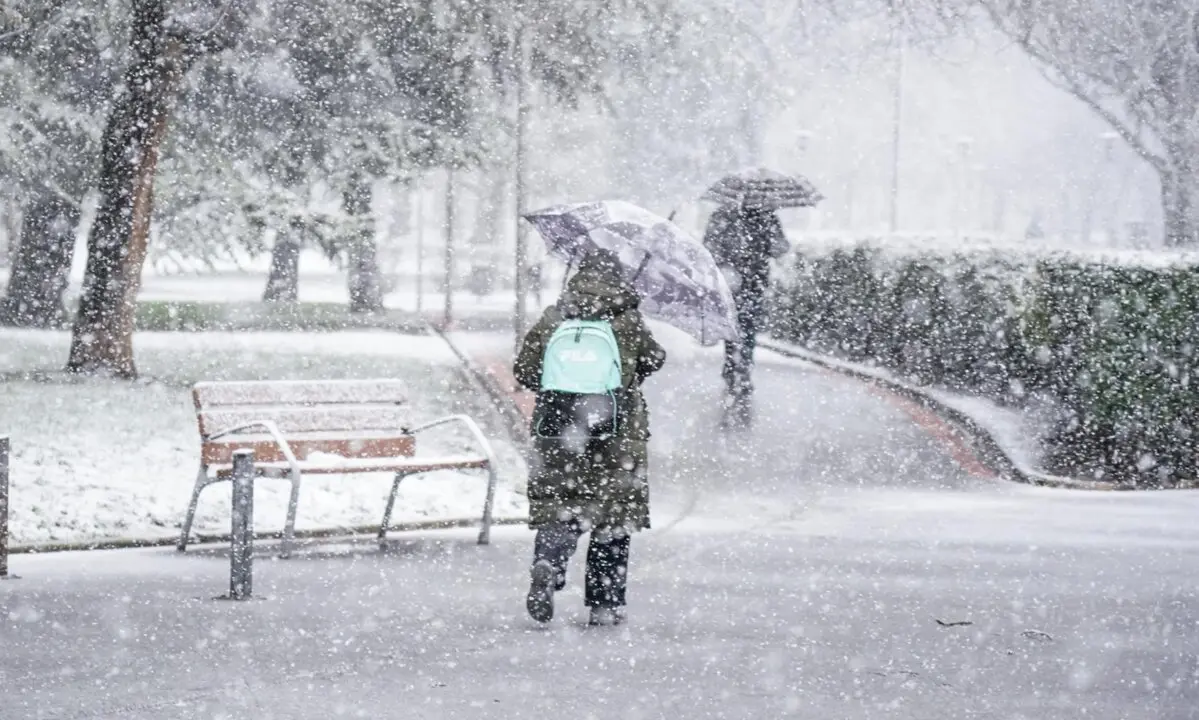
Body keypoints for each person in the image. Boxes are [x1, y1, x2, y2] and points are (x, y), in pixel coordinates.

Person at [513, 248, 666, 626]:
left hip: (558, 428)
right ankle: (605, 603)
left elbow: (526, 370)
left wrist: (563, 386)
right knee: (614, 513)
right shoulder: (627, 319)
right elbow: (655, 358)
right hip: (616, 431)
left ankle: (550, 560)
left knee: (561, 502)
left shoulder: (556, 315)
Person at [702, 204, 789, 424]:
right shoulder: (765, 217)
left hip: (739, 282)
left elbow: (708, 247)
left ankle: (735, 367)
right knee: (745, 327)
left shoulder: (725, 216)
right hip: (747, 282)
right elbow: (780, 247)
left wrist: (723, 261)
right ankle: (740, 368)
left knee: (738, 326)